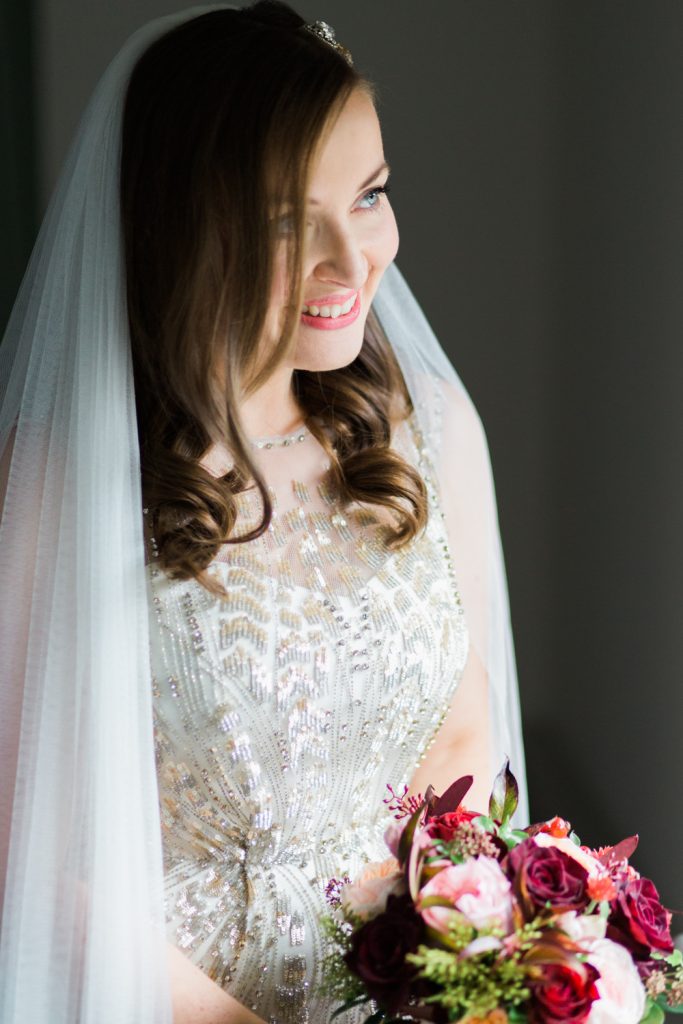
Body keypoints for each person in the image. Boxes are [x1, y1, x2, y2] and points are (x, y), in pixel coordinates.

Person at [0, 3, 527, 1022]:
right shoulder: (53, 483)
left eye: (368, 195)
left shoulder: (431, 433)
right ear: (187, 223)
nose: (352, 258)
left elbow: (465, 734)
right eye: (287, 219)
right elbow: (27, 852)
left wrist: (465, 974)